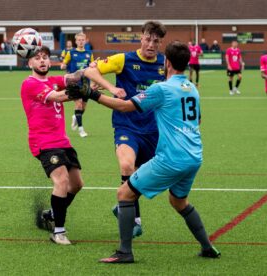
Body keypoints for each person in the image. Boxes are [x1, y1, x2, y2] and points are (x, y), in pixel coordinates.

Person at [68, 40, 221, 263]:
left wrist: (92, 95)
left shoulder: (161, 88)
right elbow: (198, 119)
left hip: (172, 159)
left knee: (124, 194)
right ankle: (207, 247)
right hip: (194, 156)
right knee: (179, 202)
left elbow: (125, 106)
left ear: (166, 63)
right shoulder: (192, 88)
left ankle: (124, 252)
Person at [84, 20, 166, 238]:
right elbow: (89, 72)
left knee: (146, 177)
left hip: (153, 130)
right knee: (127, 165)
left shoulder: (165, 64)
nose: (151, 44)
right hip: (126, 126)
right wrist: (111, 87)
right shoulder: (124, 59)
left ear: (160, 43)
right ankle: (134, 219)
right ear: (141, 37)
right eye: (148, 39)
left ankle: (122, 207)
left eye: (156, 41)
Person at [20, 45, 85, 245]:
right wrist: (83, 91)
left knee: (77, 184)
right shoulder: (29, 84)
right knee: (62, 181)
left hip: (62, 141)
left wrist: (94, 68)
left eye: (45, 57)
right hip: (44, 141)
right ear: (29, 62)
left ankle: (51, 214)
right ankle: (58, 232)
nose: (42, 61)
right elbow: (57, 96)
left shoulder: (53, 80)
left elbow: (73, 77)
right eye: (37, 58)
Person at [61, 33, 94, 138]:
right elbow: (64, 63)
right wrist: (63, 65)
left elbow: (93, 69)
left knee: (83, 107)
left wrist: (93, 82)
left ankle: (75, 117)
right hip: (74, 84)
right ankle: (81, 130)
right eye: (79, 40)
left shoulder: (89, 53)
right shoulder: (70, 53)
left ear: (85, 41)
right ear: (76, 41)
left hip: (86, 83)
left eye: (82, 40)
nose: (80, 41)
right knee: (78, 104)